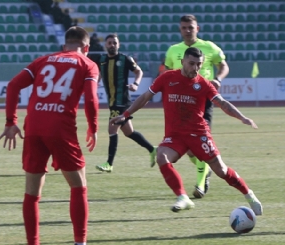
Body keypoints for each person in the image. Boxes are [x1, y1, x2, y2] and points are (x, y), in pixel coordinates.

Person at [110, 47, 263, 215]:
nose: (195, 68)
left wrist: (242, 118)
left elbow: (223, 103)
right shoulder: (167, 78)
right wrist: (125, 115)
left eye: (199, 64)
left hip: (199, 134)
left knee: (222, 171)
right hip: (175, 136)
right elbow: (145, 97)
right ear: (183, 61)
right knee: (162, 155)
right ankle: (183, 197)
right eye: (191, 63)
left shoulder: (203, 84)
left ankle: (249, 195)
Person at [0, 26, 100, 245]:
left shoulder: (43, 60)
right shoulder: (87, 64)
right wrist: (93, 127)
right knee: (78, 186)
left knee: (31, 193)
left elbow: (13, 85)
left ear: (65, 45)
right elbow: (92, 98)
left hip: (33, 126)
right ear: (86, 47)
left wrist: (11, 122)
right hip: (60, 128)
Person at [164, 14, 229, 199]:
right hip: (179, 103)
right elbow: (168, 74)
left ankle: (200, 183)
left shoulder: (209, 47)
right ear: (180, 29)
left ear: (197, 28)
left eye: (190, 27)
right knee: (186, 146)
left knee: (197, 142)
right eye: (184, 27)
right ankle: (204, 169)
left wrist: (218, 79)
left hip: (202, 99)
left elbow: (223, 66)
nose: (187, 31)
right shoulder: (173, 50)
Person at [95, 33, 157, 172]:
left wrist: (136, 83)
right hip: (112, 101)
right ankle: (152, 149)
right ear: (105, 45)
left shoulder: (125, 59)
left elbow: (138, 71)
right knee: (129, 132)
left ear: (119, 45)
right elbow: (99, 74)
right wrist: (94, 83)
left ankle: (109, 164)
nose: (112, 45)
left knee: (112, 128)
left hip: (121, 101)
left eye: (114, 43)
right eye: (109, 43)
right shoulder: (102, 59)